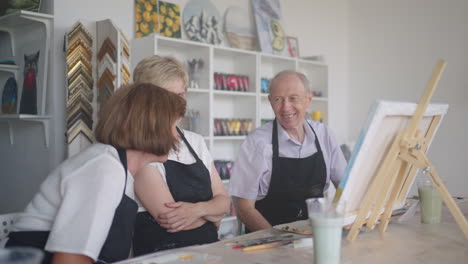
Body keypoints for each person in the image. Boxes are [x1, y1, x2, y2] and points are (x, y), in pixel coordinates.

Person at [4, 83, 186, 264]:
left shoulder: (122, 171)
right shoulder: (104, 169)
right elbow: (69, 261)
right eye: (173, 127)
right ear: (151, 128)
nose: (178, 137)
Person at [132, 55, 230, 255]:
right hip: (162, 256)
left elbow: (225, 202)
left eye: (182, 94)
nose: (178, 103)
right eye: (168, 96)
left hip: (209, 253)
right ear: (147, 100)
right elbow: (171, 220)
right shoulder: (138, 148)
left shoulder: (195, 141)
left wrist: (197, 211)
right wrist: (212, 215)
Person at [229, 70, 347, 232]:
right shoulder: (257, 142)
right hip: (269, 242)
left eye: (293, 98)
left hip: (314, 235)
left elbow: (345, 188)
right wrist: (279, 241)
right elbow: (243, 208)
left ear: (308, 100)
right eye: (278, 99)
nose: (286, 107)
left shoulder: (324, 135)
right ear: (270, 101)